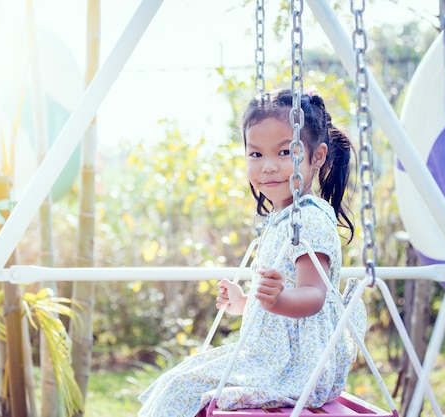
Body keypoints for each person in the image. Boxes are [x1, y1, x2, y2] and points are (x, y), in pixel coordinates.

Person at [137, 89, 366, 417]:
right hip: (270, 357)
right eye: (256, 155)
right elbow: (275, 310)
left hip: (299, 368)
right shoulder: (281, 218)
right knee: (178, 378)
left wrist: (280, 299)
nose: (269, 167)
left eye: (286, 152)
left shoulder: (309, 218)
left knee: (181, 386)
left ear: (317, 157)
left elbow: (314, 295)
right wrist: (245, 302)